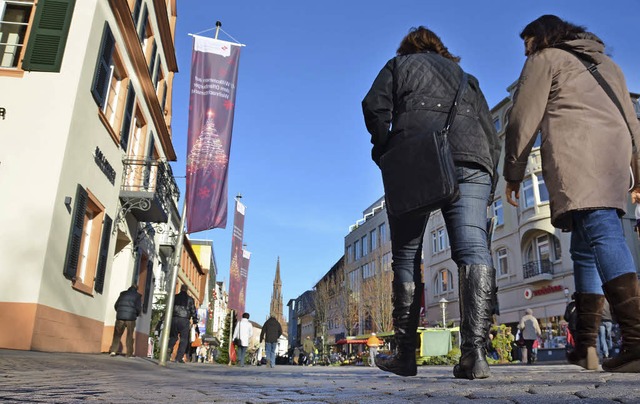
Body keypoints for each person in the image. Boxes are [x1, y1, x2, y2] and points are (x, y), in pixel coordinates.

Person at [503, 14, 640, 373]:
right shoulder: (609, 65)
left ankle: (637, 343)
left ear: (539, 37)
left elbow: (521, 118)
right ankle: (587, 347)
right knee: (583, 246)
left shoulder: (546, 58)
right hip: (614, 159)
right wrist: (638, 175)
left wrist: (514, 173)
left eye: (526, 42)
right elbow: (632, 122)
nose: (525, 50)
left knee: (602, 232)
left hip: (579, 155)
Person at [362, 26, 500, 379]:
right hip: (472, 159)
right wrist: (491, 180)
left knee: (407, 255)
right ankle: (475, 354)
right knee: (473, 248)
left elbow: (374, 105)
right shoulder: (468, 79)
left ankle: (405, 355)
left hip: (416, 158)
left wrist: (385, 149)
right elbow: (491, 134)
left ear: (409, 48)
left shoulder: (399, 65)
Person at [167, 284, 198, 363]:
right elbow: (193, 310)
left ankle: (168, 351)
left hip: (174, 319)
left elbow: (169, 307)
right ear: (187, 290)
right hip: (184, 320)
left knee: (173, 337)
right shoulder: (190, 299)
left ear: (180, 289)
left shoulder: (175, 297)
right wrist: (195, 320)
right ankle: (178, 358)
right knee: (184, 340)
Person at [109, 284, 142, 357]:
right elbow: (138, 308)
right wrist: (135, 314)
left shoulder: (122, 294)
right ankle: (129, 353)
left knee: (117, 334)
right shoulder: (138, 296)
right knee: (129, 335)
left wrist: (119, 312)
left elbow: (116, 305)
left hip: (120, 317)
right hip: (131, 318)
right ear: (136, 289)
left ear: (129, 288)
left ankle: (113, 351)